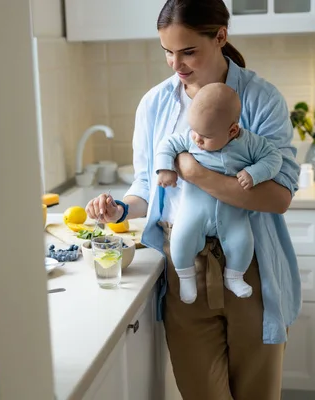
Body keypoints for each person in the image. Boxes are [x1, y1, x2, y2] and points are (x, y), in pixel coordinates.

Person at [85, 0, 301, 398]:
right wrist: (119, 208)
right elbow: (147, 190)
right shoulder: (155, 104)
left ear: (220, 37)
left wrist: (194, 172)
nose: (175, 64)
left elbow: (278, 197)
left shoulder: (260, 99)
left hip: (251, 265)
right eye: (167, 51)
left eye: (188, 51)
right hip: (183, 263)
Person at [155, 82, 283, 304]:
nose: (196, 139)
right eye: (194, 131)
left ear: (232, 130)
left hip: (232, 214)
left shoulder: (250, 143)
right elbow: (167, 144)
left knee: (242, 241)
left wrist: (255, 173)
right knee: (181, 237)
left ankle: (234, 277)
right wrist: (165, 168)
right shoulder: (191, 136)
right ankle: (186, 277)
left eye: (205, 136)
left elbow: (274, 159)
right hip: (195, 210)